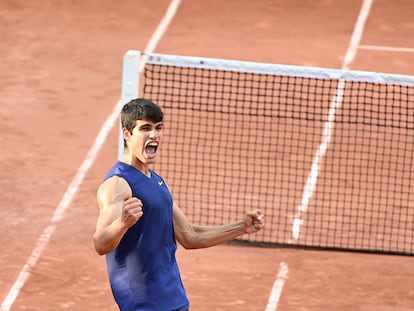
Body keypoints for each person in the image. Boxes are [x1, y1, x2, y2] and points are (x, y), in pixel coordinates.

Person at [93, 98, 264, 311]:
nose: (154, 135)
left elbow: (191, 236)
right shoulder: (118, 185)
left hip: (174, 299)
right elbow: (100, 243)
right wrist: (122, 223)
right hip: (144, 305)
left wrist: (241, 227)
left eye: (158, 128)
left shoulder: (156, 181)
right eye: (145, 128)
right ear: (127, 134)